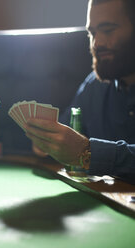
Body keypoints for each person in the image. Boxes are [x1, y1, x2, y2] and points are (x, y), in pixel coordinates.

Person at [24, 0, 135, 182]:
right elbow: (65, 136)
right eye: (92, 33)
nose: (97, 43)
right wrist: (47, 144)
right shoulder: (95, 84)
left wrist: (87, 152)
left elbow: (81, 150)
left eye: (108, 30)